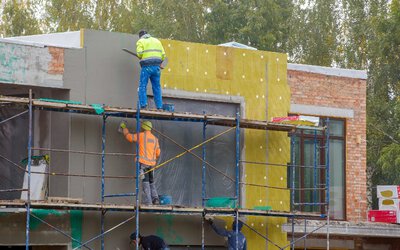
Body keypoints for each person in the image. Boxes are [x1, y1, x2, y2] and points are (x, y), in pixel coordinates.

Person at [120, 120, 161, 205]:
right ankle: (155, 199)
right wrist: (152, 158)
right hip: (152, 166)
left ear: (143, 127)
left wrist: (124, 128)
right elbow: (158, 153)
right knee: (151, 182)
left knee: (145, 183)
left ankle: (148, 202)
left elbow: (129, 137)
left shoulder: (141, 136)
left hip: (143, 164)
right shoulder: (155, 139)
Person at [136, 29, 166, 110]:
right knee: (157, 87)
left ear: (140, 36)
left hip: (146, 67)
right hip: (156, 67)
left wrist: (141, 57)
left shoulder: (140, 41)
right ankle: (159, 107)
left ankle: (143, 105)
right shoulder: (157, 41)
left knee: (142, 86)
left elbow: (139, 54)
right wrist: (159, 63)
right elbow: (163, 55)